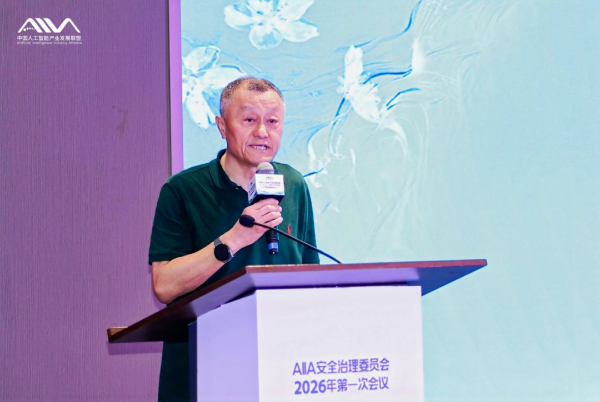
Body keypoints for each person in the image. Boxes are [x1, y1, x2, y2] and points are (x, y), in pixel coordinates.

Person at [148, 77, 320, 401]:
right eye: (250, 120)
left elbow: (310, 277)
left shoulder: (293, 183)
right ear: (222, 126)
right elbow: (164, 285)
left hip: (278, 367)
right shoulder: (182, 190)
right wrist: (234, 239)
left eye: (273, 122)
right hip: (203, 368)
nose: (262, 132)